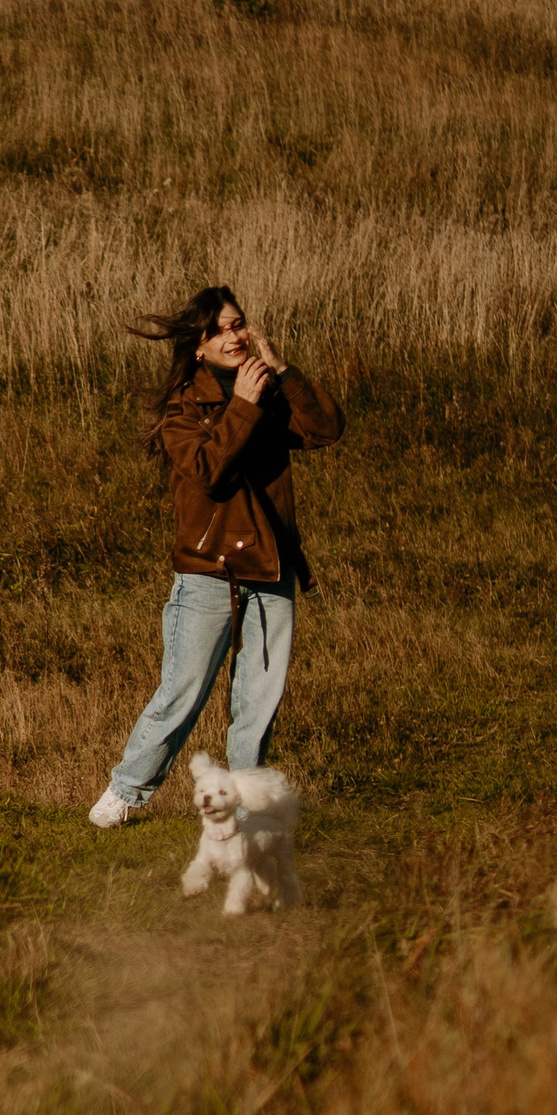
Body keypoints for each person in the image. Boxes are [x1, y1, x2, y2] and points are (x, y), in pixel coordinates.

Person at [88, 286, 344, 828]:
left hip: (271, 569)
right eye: (219, 330)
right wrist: (245, 406)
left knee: (259, 700)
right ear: (198, 347)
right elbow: (209, 472)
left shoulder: (270, 392)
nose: (233, 336)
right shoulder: (184, 407)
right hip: (209, 573)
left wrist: (285, 372)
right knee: (182, 693)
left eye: (239, 325)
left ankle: (247, 806)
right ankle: (126, 793)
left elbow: (326, 429)